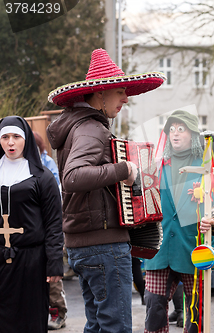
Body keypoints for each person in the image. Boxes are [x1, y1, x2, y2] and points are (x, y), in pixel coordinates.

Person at [46, 48, 165, 333]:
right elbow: (73, 177)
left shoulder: (78, 125)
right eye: (120, 91)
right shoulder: (92, 127)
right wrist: (124, 170)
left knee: (99, 326)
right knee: (116, 327)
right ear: (101, 94)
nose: (126, 98)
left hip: (85, 244)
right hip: (103, 246)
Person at [143, 110, 214, 333]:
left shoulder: (209, 166)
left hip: (194, 248)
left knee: (196, 312)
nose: (175, 134)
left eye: (181, 129)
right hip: (159, 250)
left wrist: (212, 218)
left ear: (192, 134)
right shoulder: (157, 167)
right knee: (154, 308)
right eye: (171, 130)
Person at [0, 116, 64, 333]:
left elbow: (54, 222)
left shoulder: (42, 177)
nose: (11, 142)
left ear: (25, 139)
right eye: (5, 137)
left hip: (32, 260)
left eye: (16, 136)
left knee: (31, 318)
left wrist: (55, 261)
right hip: (1, 257)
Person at [32, 131, 68, 330]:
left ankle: (58, 312)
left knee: (52, 276)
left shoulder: (46, 165)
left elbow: (56, 194)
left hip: (48, 225)